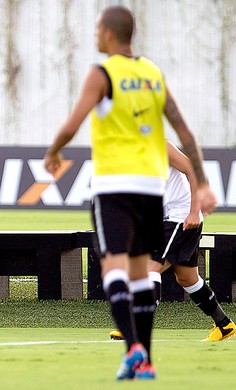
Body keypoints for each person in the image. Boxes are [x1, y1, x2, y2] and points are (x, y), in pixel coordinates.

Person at [43, 6, 217, 381]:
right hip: (151, 193)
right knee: (142, 273)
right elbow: (185, 133)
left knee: (113, 269)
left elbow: (74, 122)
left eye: (96, 30)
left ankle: (133, 347)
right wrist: (201, 183)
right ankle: (147, 360)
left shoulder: (101, 74)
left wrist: (54, 151)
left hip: (114, 188)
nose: (94, 35)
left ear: (108, 33)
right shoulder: (152, 74)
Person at [109, 141, 235, 342]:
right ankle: (224, 324)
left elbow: (193, 171)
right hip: (168, 219)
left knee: (148, 268)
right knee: (187, 278)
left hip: (182, 216)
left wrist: (195, 211)